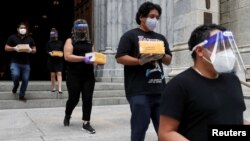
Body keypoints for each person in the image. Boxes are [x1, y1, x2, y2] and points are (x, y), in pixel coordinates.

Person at [159, 24, 248, 141]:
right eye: (220, 46)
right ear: (200, 51)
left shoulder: (233, 80)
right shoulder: (179, 85)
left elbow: (235, 118)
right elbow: (166, 133)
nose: (227, 52)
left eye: (228, 46)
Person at [115, 2, 172, 141]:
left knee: (165, 131)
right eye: (152, 16)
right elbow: (120, 57)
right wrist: (139, 61)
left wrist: (162, 56)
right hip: (139, 91)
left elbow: (169, 59)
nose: (155, 20)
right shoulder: (129, 36)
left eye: (157, 18)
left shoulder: (160, 38)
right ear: (142, 17)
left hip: (160, 90)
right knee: (139, 130)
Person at [63, 19, 96, 134]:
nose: (82, 30)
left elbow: (92, 58)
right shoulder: (70, 41)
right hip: (74, 75)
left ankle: (86, 123)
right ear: (75, 29)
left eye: (84, 28)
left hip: (88, 76)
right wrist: (84, 59)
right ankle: (67, 115)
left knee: (87, 99)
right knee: (74, 98)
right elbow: (67, 56)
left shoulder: (90, 42)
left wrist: (98, 60)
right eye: (79, 28)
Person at [4, 22, 36, 102]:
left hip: (26, 63)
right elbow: (6, 48)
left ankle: (21, 95)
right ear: (18, 29)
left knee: (25, 79)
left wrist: (31, 50)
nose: (23, 29)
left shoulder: (30, 38)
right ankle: (16, 85)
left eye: (24, 28)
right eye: (21, 28)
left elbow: (35, 49)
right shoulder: (12, 37)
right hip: (15, 62)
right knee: (15, 75)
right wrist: (14, 48)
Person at [46, 27, 64, 93]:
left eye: (55, 34)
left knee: (59, 73)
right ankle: (53, 87)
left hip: (59, 60)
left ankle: (59, 88)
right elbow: (47, 50)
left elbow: (63, 50)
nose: (54, 35)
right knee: (52, 74)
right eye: (53, 34)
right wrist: (49, 53)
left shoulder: (60, 42)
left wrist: (62, 53)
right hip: (51, 60)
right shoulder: (49, 42)